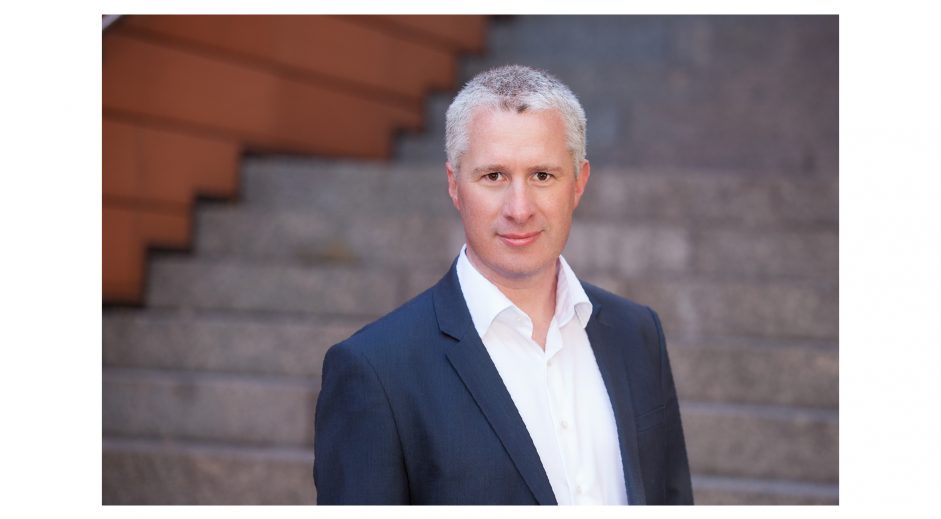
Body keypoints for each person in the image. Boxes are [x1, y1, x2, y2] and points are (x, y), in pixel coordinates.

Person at [313, 65, 693, 505]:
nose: (519, 208)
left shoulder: (638, 335)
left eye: (542, 175)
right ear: (454, 185)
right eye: (493, 176)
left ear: (578, 184)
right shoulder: (374, 370)